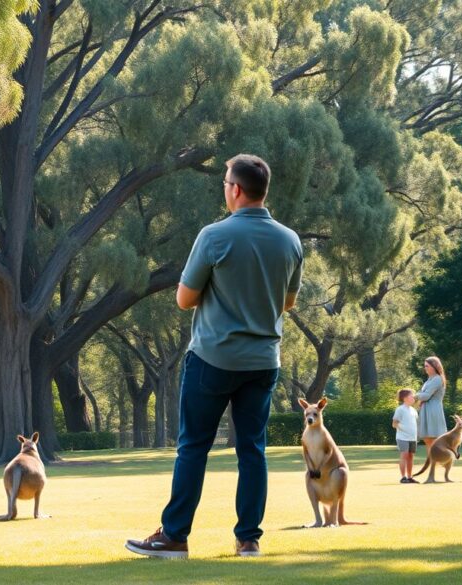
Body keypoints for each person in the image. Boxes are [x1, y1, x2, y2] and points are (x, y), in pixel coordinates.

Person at [125, 154, 303, 559]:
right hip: (263, 360)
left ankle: (175, 536)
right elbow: (288, 302)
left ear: (236, 190)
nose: (225, 189)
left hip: (213, 357)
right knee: (252, 450)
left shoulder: (214, 236)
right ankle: (248, 539)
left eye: (225, 183)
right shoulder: (290, 240)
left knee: (193, 447)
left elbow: (184, 298)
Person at [416, 356, 448, 450]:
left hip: (433, 410)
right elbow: (423, 395)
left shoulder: (437, 379)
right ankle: (430, 458)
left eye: (427, 366)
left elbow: (426, 395)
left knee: (434, 438)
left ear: (434, 366)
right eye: (425, 366)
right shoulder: (429, 379)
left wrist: (414, 396)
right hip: (426, 409)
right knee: (427, 439)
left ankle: (438, 458)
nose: (425, 368)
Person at [392, 388, 419, 484]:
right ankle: (403, 477)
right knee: (404, 455)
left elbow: (415, 424)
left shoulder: (413, 410)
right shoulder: (400, 409)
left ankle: (410, 477)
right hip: (402, 437)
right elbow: (394, 424)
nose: (414, 398)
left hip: (413, 438)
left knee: (411, 457)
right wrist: (405, 430)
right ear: (405, 398)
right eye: (411, 396)